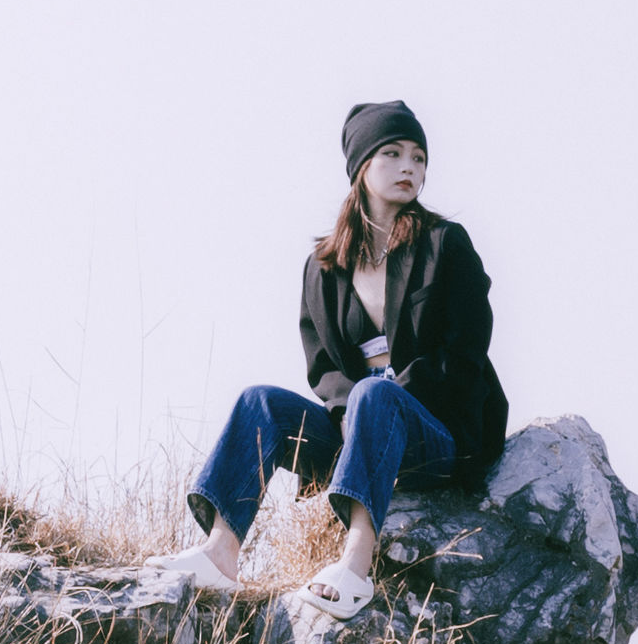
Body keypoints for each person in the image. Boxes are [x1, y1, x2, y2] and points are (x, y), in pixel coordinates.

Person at [155, 99, 508, 616]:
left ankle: (355, 563)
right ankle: (221, 551)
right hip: (357, 432)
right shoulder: (323, 267)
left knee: (376, 393)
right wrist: (356, 419)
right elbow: (323, 368)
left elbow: (466, 350)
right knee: (261, 403)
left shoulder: (444, 245)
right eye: (393, 153)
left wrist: (382, 400)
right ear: (362, 166)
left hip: (437, 435)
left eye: (419, 157)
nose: (411, 167)